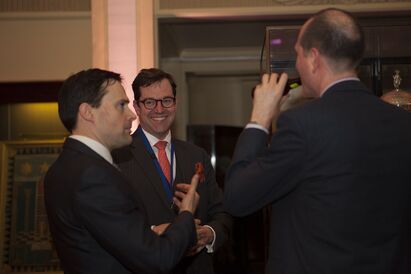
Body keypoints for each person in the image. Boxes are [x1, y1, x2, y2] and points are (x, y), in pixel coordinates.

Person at [224, 8, 411, 274]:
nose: (297, 64)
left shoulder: (302, 125)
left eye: (298, 54)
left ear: (313, 58)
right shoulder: (403, 123)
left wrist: (259, 119)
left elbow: (238, 197)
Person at [44, 68, 201, 274]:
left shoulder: (63, 167)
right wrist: (187, 214)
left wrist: (150, 232)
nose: (131, 115)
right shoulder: (93, 175)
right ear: (87, 112)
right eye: (121, 105)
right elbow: (158, 259)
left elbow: (100, 235)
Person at [112, 68, 232, 274]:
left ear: (175, 104)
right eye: (150, 102)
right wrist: (153, 234)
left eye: (166, 100)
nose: (159, 109)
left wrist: (209, 234)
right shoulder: (117, 157)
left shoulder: (198, 155)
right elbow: (112, 228)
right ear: (136, 107)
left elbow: (222, 213)